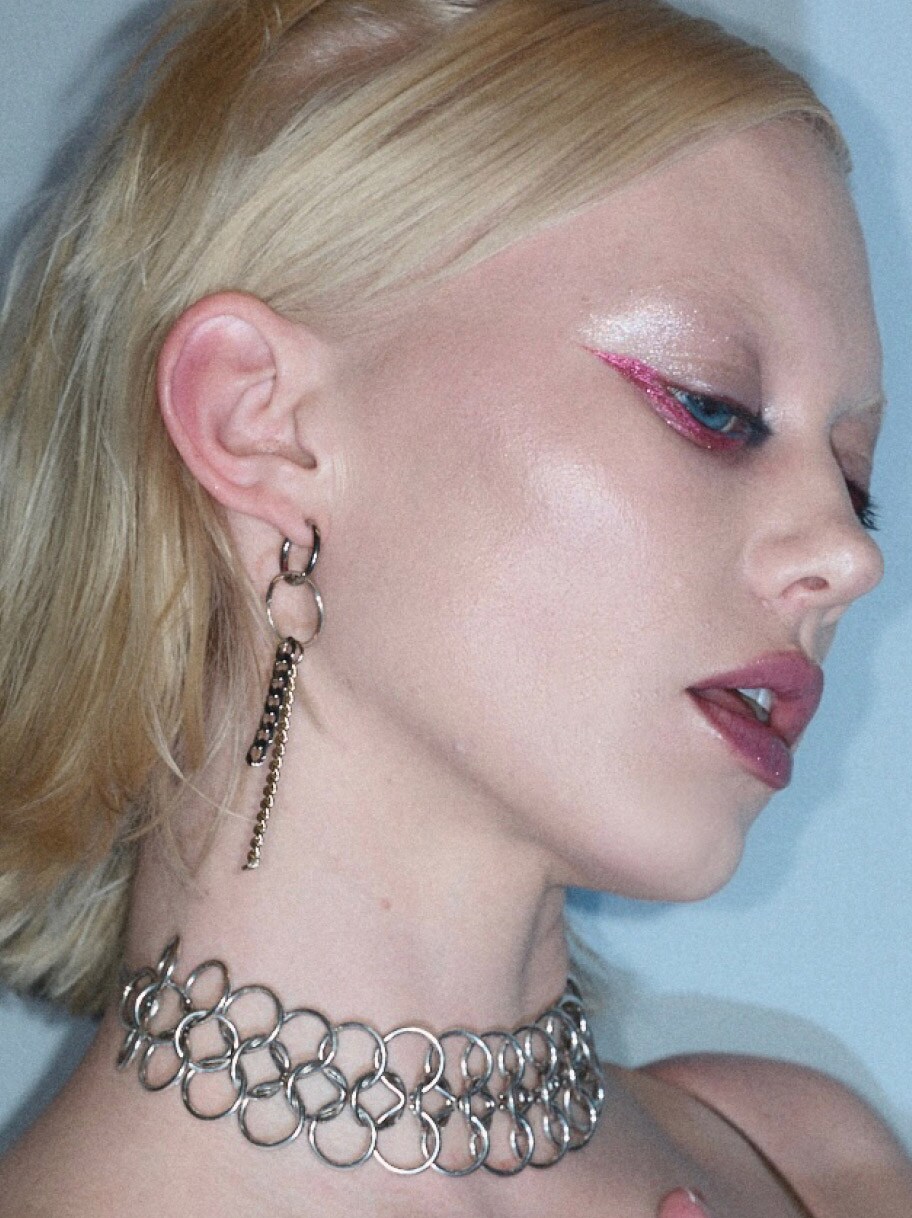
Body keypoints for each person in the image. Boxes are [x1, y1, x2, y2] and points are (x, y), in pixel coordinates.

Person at [0, 0, 909, 1214]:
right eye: (712, 408)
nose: (848, 555)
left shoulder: (810, 1161)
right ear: (260, 420)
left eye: (853, 477)